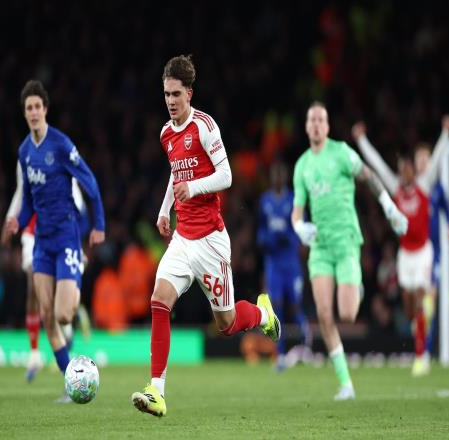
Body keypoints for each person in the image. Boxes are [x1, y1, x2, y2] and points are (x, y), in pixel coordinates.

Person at [131, 55, 280, 417]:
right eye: (166, 94)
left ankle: (262, 314)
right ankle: (157, 391)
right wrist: (165, 209)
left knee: (226, 324)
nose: (170, 101)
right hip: (183, 239)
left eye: (176, 94)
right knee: (159, 299)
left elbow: (225, 175)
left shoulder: (205, 126)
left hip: (211, 241)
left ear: (189, 93)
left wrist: (193, 188)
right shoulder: (166, 134)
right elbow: (176, 172)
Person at [291, 101, 408, 401]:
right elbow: (297, 211)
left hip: (345, 242)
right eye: (312, 120)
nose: (316, 124)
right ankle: (346, 383)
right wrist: (299, 227)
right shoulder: (302, 165)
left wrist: (390, 208)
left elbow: (368, 177)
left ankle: (356, 287)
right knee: (324, 314)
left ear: (327, 126)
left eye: (321, 119)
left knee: (347, 313)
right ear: (306, 127)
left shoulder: (341, 152)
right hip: (321, 247)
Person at [1, 79, 105, 401]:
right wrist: (19, 220)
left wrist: (98, 224)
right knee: (47, 316)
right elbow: (29, 201)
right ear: (24, 113)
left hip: (67, 238)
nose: (33, 112)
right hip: (42, 243)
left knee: (62, 315)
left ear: (45, 109)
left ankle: (76, 296)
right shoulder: (24, 152)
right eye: (28, 108)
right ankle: (71, 381)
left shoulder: (60, 145)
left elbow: (90, 182)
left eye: (37, 106)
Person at [352, 115, 449, 376]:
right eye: (401, 169)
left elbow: (437, 158)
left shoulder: (424, 185)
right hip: (405, 255)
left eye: (407, 168)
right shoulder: (395, 188)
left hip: (423, 252)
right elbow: (376, 165)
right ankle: (419, 321)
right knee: (409, 307)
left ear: (413, 170)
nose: (404, 172)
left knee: (420, 300)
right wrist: (362, 141)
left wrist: (445, 133)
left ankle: (421, 356)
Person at [257, 160, 312, 371]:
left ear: (286, 177)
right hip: (273, 263)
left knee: (296, 305)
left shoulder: (293, 200)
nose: (278, 178)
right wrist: (266, 239)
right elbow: (260, 230)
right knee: (276, 306)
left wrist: (290, 237)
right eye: (275, 174)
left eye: (281, 174)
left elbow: (302, 229)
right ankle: (279, 354)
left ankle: (307, 347)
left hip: (291, 262)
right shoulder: (265, 200)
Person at [414, 143, 449, 356]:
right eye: (419, 160)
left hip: (433, 251)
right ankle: (420, 345)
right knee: (418, 302)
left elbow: (447, 207)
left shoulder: (437, 188)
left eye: (425, 160)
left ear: (431, 162)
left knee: (431, 299)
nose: (422, 164)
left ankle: (426, 350)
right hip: (415, 252)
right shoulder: (413, 189)